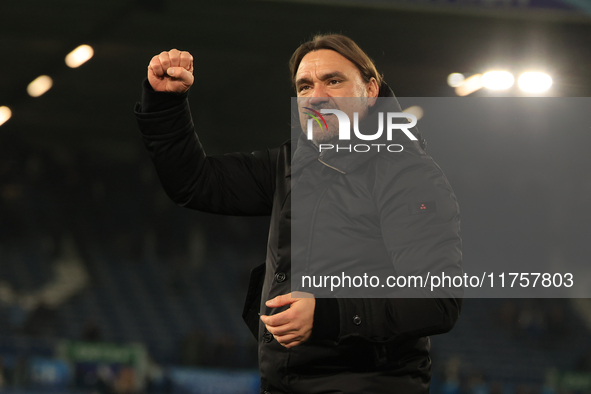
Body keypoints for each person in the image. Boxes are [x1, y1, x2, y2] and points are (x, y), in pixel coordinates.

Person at [135, 34, 462, 394]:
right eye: (304, 86)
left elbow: (437, 300)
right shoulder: (290, 166)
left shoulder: (408, 174)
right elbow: (194, 183)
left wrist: (327, 316)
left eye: (333, 81)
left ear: (370, 90)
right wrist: (167, 104)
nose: (316, 95)